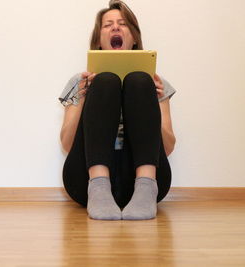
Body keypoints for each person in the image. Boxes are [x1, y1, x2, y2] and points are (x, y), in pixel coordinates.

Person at [58, 0, 177, 221]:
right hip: (85, 179)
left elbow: (168, 147)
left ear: (133, 38)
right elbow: (66, 144)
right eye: (108, 25)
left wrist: (154, 100)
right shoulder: (80, 81)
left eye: (123, 24)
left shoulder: (155, 82)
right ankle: (99, 186)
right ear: (99, 40)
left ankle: (145, 187)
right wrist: (83, 97)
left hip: (140, 177)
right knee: (105, 81)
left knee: (139, 80)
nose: (115, 28)